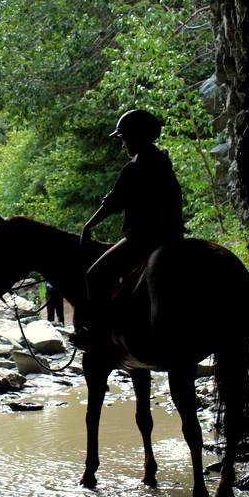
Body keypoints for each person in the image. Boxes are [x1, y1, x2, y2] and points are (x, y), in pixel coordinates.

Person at [73, 109, 184, 348]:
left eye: (124, 138)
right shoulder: (164, 162)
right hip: (174, 237)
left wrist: (88, 225)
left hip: (144, 239)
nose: (123, 144)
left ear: (135, 137)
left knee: (95, 275)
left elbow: (112, 203)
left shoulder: (134, 168)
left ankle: (97, 335)